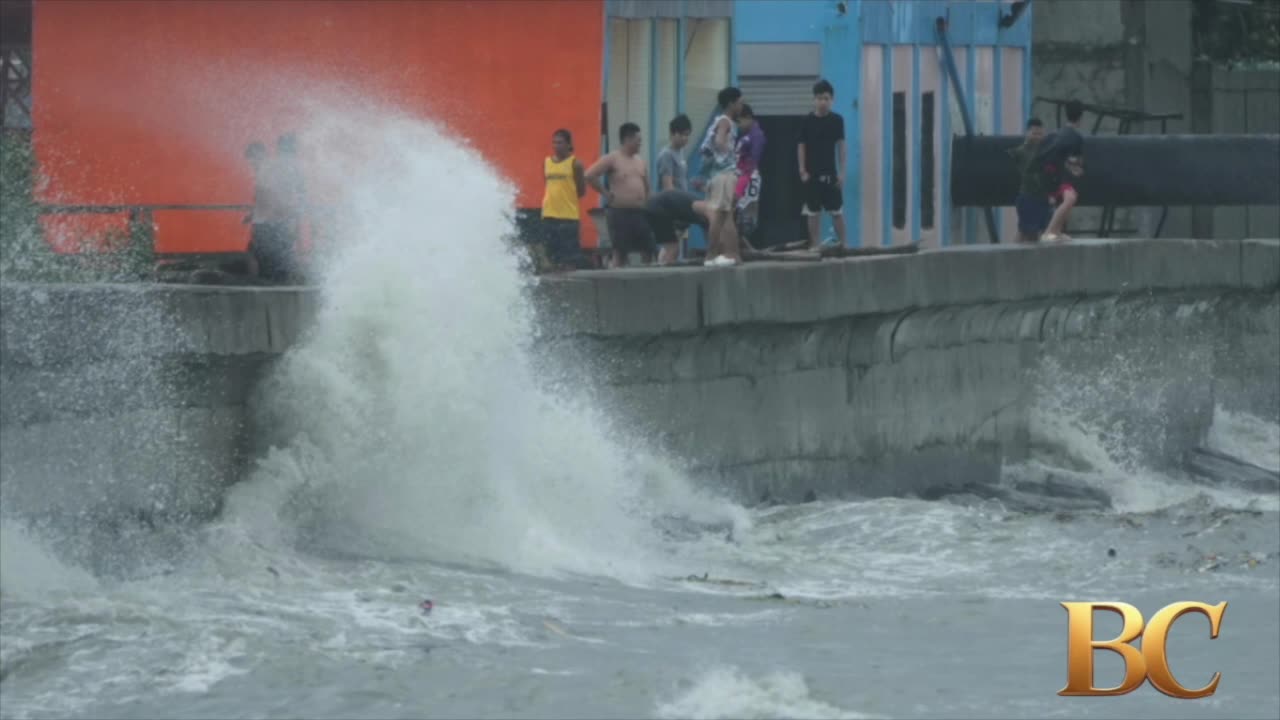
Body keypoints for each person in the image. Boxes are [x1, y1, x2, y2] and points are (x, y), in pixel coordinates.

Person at [585, 122, 652, 267]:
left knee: (648, 250)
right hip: (620, 213)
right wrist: (605, 192)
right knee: (620, 252)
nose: (640, 144)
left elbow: (647, 186)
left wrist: (648, 203)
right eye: (638, 140)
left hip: (640, 213)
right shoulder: (613, 158)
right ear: (627, 139)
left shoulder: (641, 161)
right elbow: (589, 175)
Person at [697, 86, 745, 267]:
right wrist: (730, 156)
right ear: (731, 103)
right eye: (740, 102)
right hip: (724, 173)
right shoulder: (725, 121)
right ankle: (715, 255)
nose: (742, 105)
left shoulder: (723, 121)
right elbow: (719, 141)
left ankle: (724, 254)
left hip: (719, 174)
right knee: (722, 215)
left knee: (724, 215)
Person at [797, 79, 847, 249]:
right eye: (819, 98)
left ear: (831, 99)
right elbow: (801, 146)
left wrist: (842, 172)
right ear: (814, 99)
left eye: (826, 98)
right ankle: (815, 246)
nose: (823, 102)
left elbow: (841, 146)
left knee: (837, 212)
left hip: (831, 173)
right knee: (813, 212)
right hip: (812, 174)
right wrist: (802, 170)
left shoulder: (837, 120)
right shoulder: (806, 121)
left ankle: (844, 245)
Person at [1036, 99, 1086, 242]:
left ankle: (1056, 231)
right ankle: (1049, 232)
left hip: (1046, 172)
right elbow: (1074, 162)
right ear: (1081, 117)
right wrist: (1077, 170)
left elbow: (1048, 154)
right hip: (1054, 173)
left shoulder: (1055, 134)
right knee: (1070, 198)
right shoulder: (1076, 138)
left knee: (1071, 196)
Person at [540, 128, 588, 271]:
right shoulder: (546, 162)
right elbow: (548, 184)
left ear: (568, 144)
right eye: (554, 143)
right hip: (549, 214)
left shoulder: (575, 164)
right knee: (553, 254)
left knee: (570, 256)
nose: (556, 146)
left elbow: (581, 190)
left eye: (560, 143)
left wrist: (567, 198)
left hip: (568, 216)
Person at [654, 114, 693, 264]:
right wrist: (676, 209)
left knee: (677, 246)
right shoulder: (666, 155)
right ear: (672, 134)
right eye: (682, 135)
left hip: (682, 206)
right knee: (671, 247)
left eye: (687, 135)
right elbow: (667, 186)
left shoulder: (681, 153)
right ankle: (662, 267)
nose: (685, 139)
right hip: (671, 208)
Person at [1007, 117, 1048, 243]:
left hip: (1042, 198)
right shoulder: (1021, 152)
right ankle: (1011, 257)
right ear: (1027, 133)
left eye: (1040, 134)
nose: (1037, 137)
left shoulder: (1044, 151)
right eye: (1034, 133)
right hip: (1028, 198)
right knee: (1024, 232)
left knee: (1036, 235)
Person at [733, 104, 766, 245]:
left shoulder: (757, 135)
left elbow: (753, 159)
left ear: (747, 118)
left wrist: (742, 182)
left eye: (739, 122)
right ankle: (740, 245)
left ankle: (743, 246)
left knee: (745, 215)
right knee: (737, 213)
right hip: (741, 176)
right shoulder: (746, 135)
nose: (738, 126)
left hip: (748, 177)